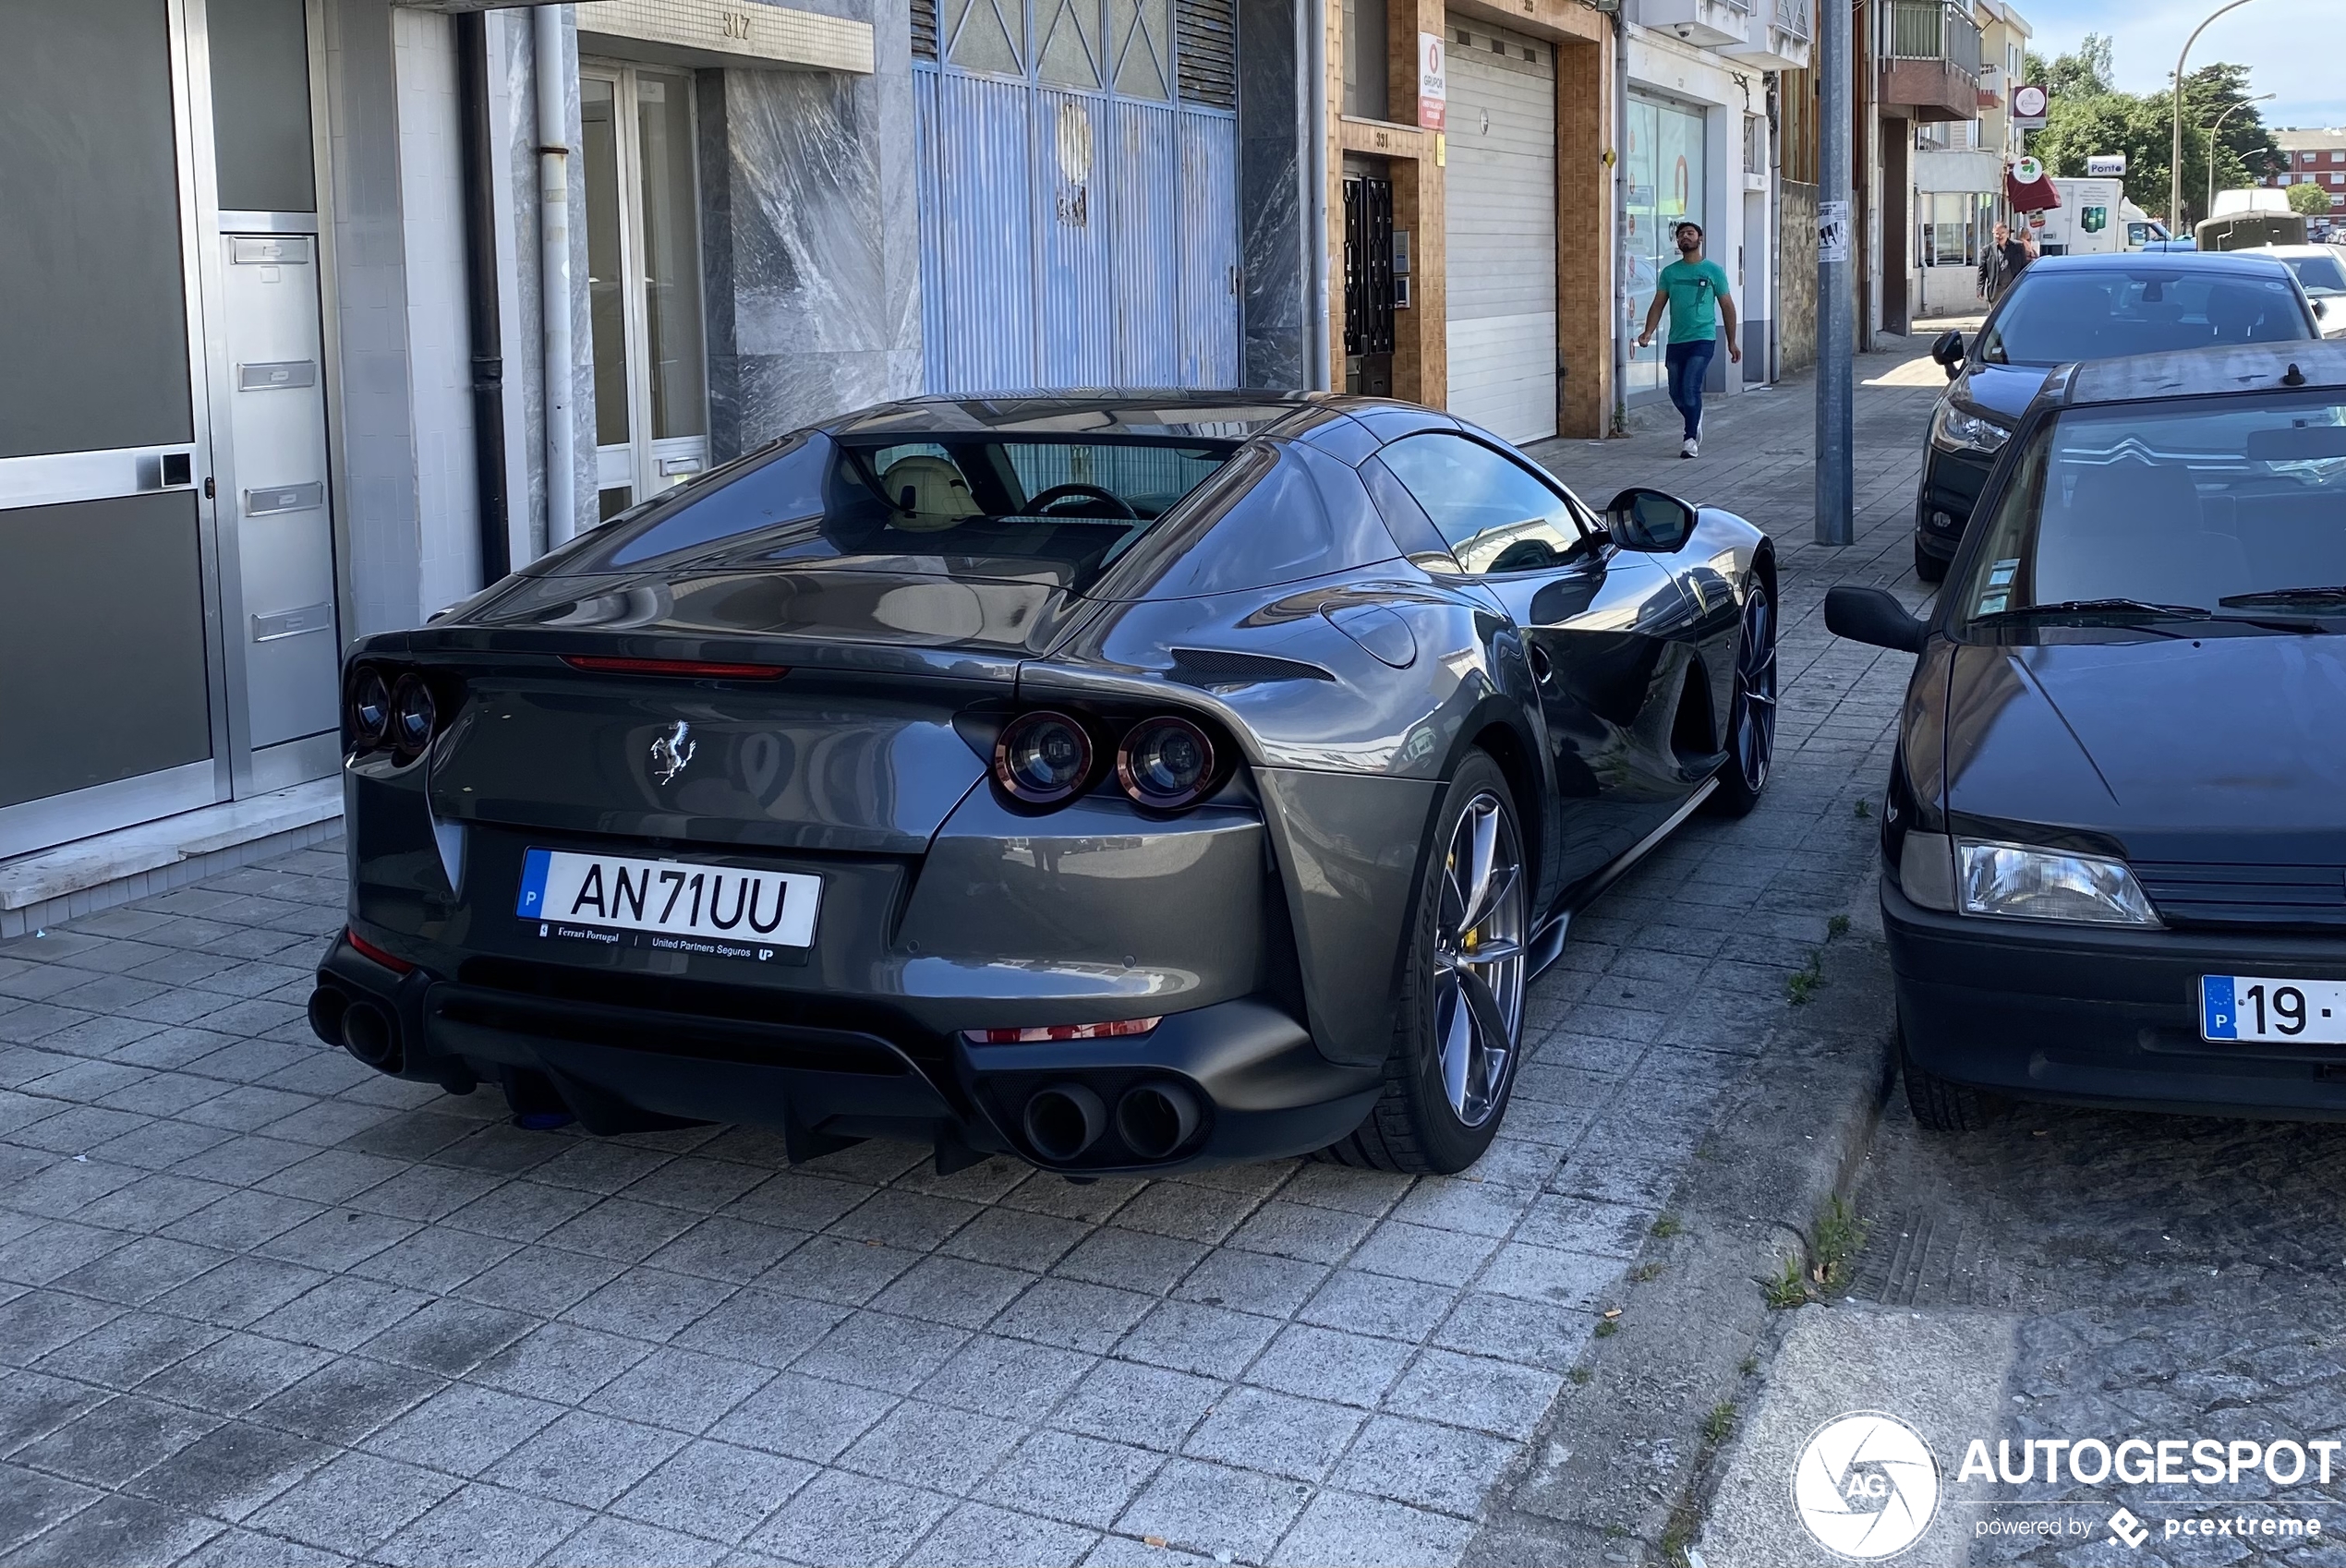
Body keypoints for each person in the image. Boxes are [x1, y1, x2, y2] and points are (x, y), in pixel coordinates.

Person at [1636, 221, 1740, 458]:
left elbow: (1727, 306)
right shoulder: (1670, 273)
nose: (1685, 237)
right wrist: (1648, 332)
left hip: (1703, 338)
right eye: (1681, 234)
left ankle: (1689, 439)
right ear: (1677, 241)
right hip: (1676, 340)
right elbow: (1658, 304)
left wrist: (1731, 341)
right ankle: (1696, 415)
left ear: (1699, 239)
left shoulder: (1713, 271)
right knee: (1676, 392)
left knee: (1690, 386)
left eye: (1690, 233)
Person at [1977, 221, 2035, 302]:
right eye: (1997, 233)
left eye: (2002, 233)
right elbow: (1982, 271)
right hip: (1996, 290)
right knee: (1997, 314)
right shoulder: (1987, 250)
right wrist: (1980, 289)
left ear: (2007, 233)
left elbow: (2024, 267)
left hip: (2013, 289)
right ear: (1993, 234)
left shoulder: (2018, 247)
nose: (1999, 236)